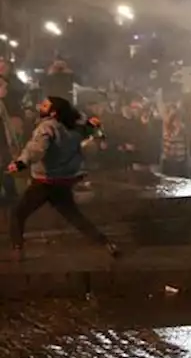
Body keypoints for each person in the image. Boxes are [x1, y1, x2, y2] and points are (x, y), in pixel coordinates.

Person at [7, 96, 117, 261]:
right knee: (74, 217)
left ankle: (17, 249)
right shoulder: (74, 128)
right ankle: (106, 243)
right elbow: (94, 132)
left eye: (45, 105)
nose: (40, 106)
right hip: (64, 180)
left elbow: (36, 149)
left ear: (54, 111)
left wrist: (21, 163)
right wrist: (94, 126)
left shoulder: (47, 127)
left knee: (17, 213)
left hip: (45, 181)